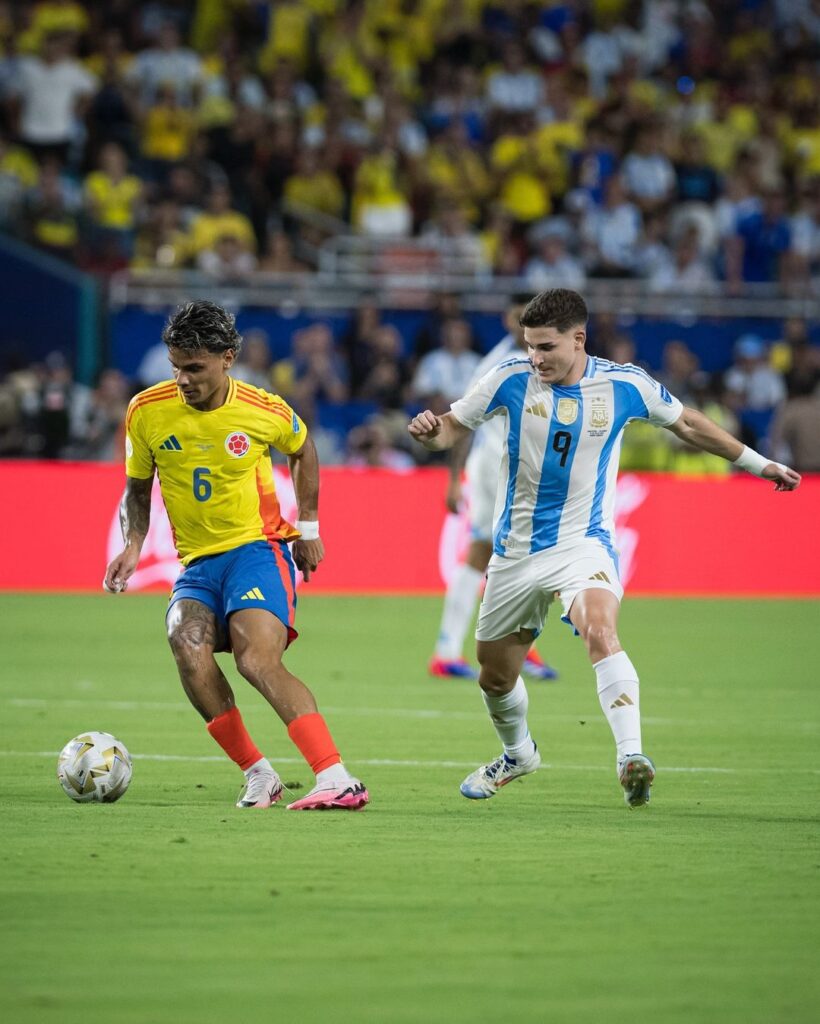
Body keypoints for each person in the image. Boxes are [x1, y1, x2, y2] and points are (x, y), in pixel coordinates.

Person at [408, 289, 800, 809]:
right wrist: (429, 431)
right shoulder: (507, 377)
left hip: (583, 544)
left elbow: (686, 422)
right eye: (530, 346)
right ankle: (518, 753)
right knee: (494, 675)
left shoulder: (623, 384)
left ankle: (631, 758)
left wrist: (759, 463)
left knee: (599, 628)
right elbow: (452, 428)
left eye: (546, 347)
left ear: (578, 338)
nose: (536, 358)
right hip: (516, 552)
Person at [104, 300, 368, 811]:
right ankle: (258, 774)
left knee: (255, 659)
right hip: (198, 566)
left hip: (257, 550)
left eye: (195, 367)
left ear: (227, 358)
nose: (183, 378)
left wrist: (308, 529)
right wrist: (132, 544)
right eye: (176, 366)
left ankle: (336, 776)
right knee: (186, 643)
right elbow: (136, 489)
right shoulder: (146, 410)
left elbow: (304, 448)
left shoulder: (261, 409)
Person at [429, 294, 558, 683]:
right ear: (508, 320)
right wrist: (455, 479)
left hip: (519, 469)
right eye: (522, 319)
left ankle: (506, 646)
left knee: (508, 555)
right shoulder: (497, 365)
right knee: (499, 553)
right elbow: (461, 419)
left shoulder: (539, 361)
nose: (527, 328)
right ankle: (450, 650)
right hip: (494, 468)